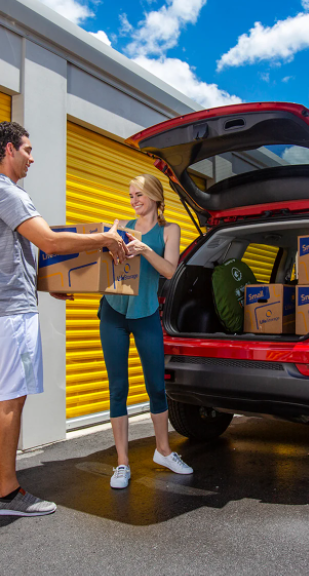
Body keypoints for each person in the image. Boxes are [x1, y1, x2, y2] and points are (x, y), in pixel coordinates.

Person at [0, 121, 128, 516]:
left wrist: (49, 286)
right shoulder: (5, 192)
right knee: (14, 396)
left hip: (12, 307)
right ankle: (7, 493)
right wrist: (105, 238)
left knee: (8, 389)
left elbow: (18, 257)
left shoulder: (4, 195)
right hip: (12, 313)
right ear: (8, 150)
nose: (33, 157)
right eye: (28, 149)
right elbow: (48, 240)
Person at [100, 174, 193, 489]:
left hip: (146, 313)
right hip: (113, 311)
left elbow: (170, 271)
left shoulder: (169, 230)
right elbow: (105, 265)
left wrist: (143, 250)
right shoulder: (121, 226)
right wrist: (108, 242)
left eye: (139, 194)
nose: (134, 200)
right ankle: (123, 463)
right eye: (130, 195)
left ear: (155, 196)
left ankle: (163, 451)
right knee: (117, 388)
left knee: (156, 385)